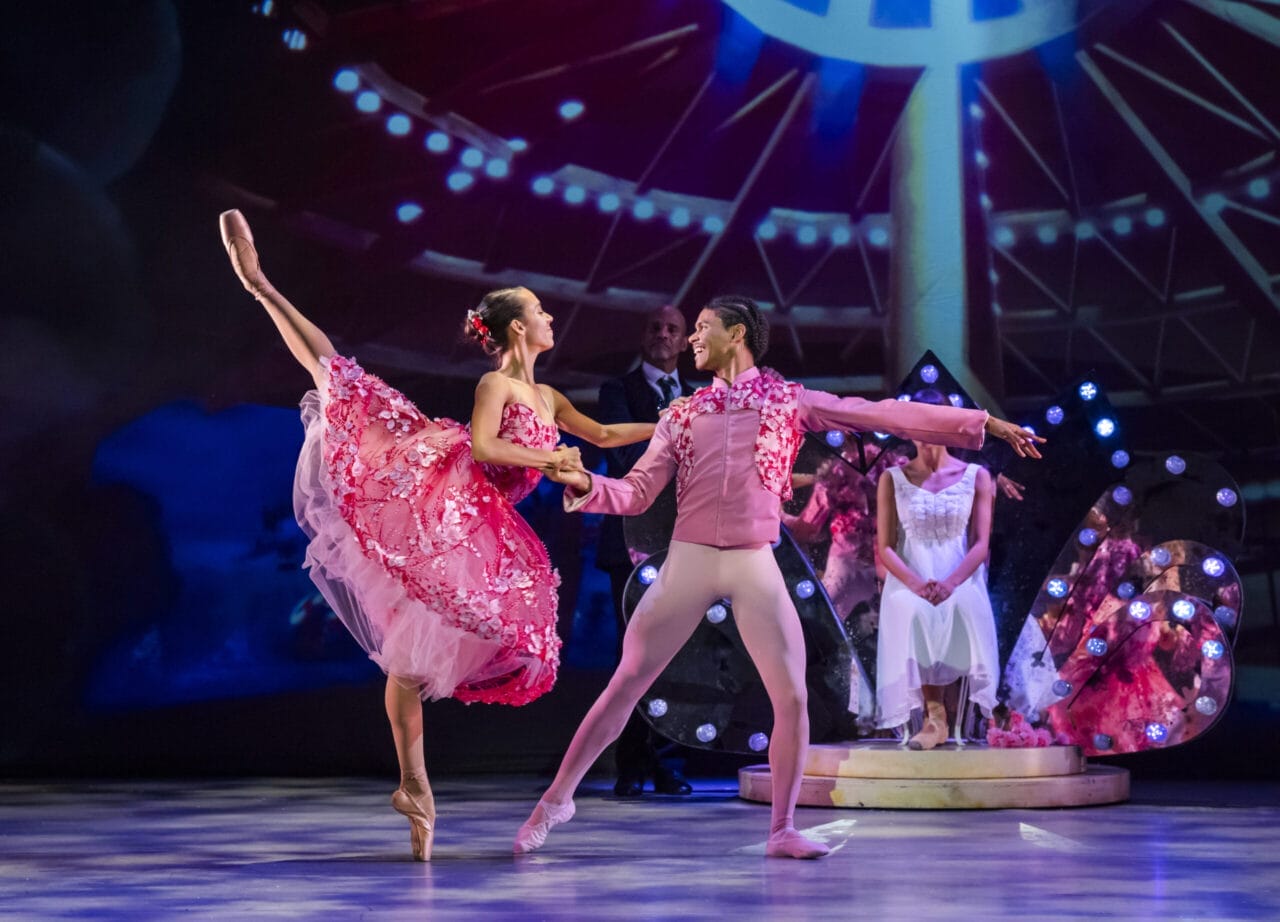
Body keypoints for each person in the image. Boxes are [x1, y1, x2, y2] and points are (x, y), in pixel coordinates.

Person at [514, 295, 1043, 859]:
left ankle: (782, 829)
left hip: (752, 564)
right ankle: (554, 803)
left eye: (702, 328)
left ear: (735, 333)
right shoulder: (683, 414)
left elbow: (885, 412)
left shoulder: (788, 402)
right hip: (688, 559)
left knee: (791, 698)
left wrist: (980, 422)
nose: (692, 338)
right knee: (625, 685)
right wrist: (585, 486)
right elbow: (638, 491)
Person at [218, 210, 654, 861]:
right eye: (540, 311)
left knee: (415, 658)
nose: (552, 319)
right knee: (344, 382)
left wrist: (677, 424)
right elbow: (483, 444)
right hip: (438, 493)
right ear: (517, 328)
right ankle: (261, 286)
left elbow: (607, 436)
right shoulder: (495, 383)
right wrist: (550, 462)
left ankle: (413, 785)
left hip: (476, 525)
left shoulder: (551, 397)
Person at [596, 304, 696, 797]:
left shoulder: (699, 397)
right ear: (643, 336)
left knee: (675, 655)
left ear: (684, 341)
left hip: (686, 543)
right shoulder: (618, 391)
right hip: (631, 546)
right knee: (631, 656)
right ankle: (630, 766)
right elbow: (626, 457)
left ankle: (667, 766)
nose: (662, 334)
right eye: (655, 327)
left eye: (672, 329)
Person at [873, 390, 1004, 750]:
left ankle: (954, 714)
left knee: (960, 607)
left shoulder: (976, 476)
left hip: (959, 574)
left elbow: (980, 543)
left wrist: (950, 583)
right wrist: (916, 584)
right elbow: (885, 546)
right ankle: (935, 717)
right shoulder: (892, 478)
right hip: (911, 576)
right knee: (911, 610)